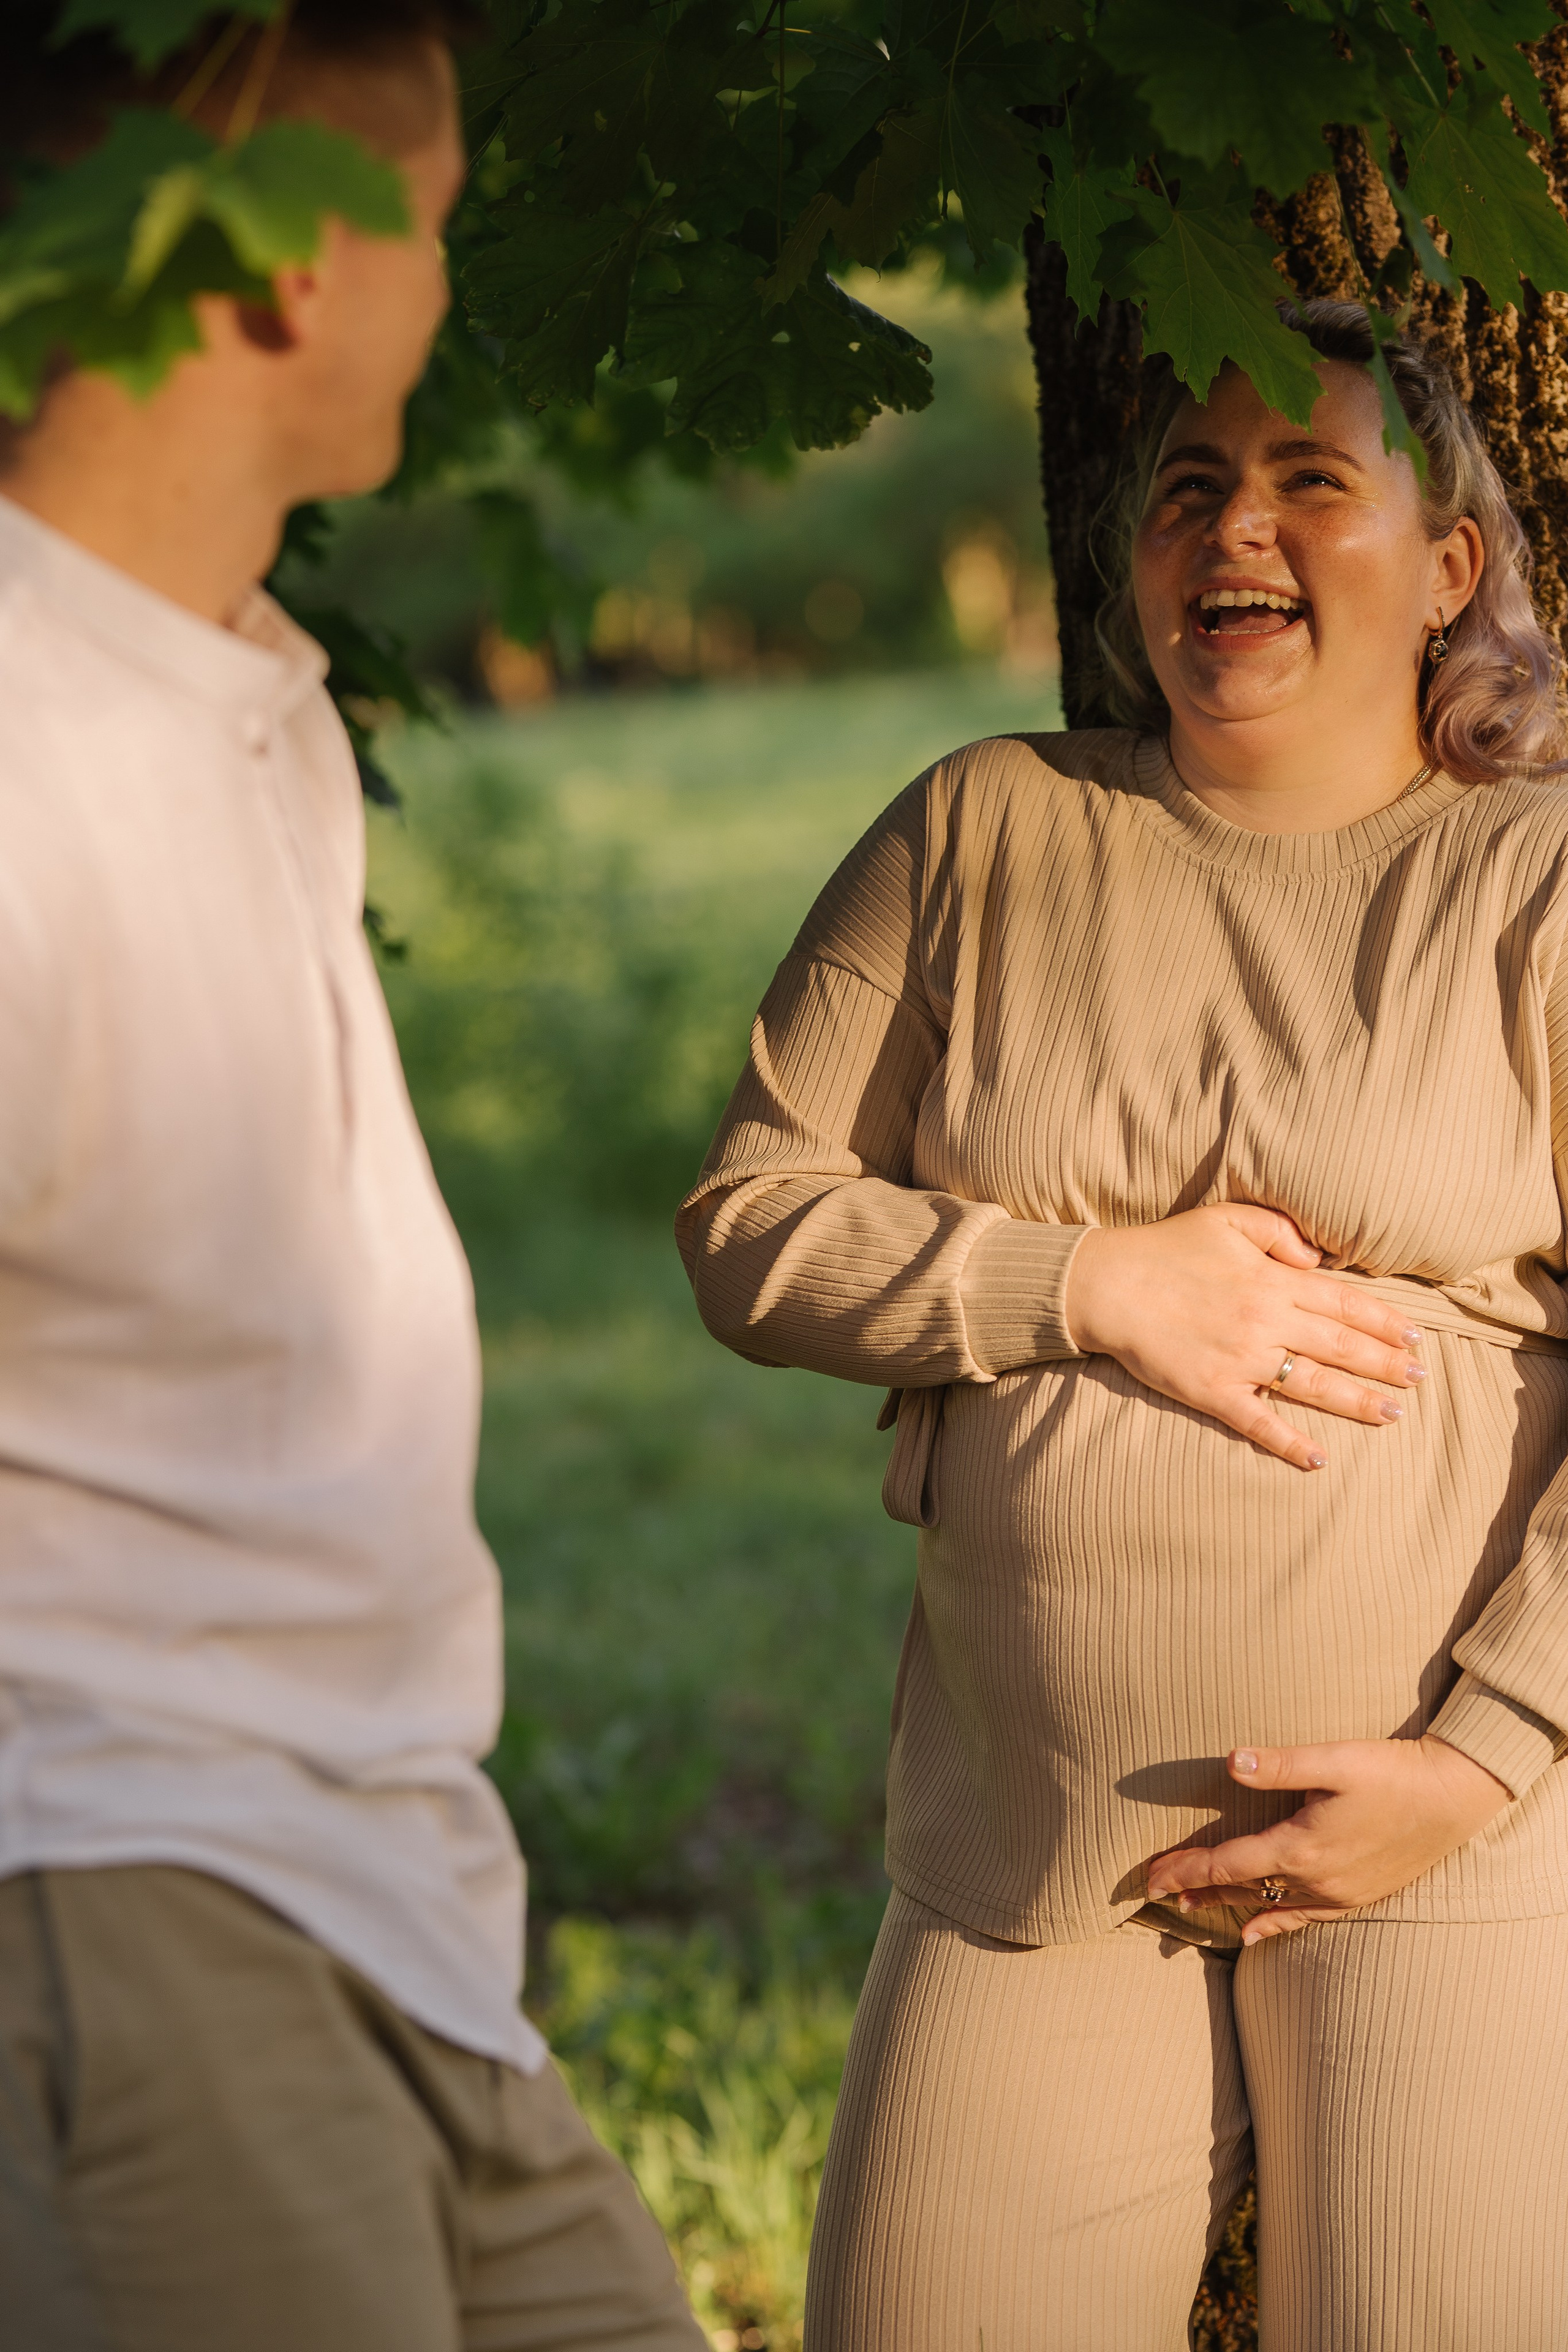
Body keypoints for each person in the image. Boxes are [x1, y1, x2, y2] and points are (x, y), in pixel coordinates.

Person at [679, 298, 1568, 2351]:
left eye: (1305, 481)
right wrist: (1079, 1280)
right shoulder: (986, 831)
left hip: (1449, 1839)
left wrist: (1483, 1758)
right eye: (1187, 489)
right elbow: (748, 1219)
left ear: (1449, 564)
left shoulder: (1534, 886)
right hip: (1031, 1845)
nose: (1229, 527)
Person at [0, 12, 703, 2351]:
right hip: (112, 1885)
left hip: (399, 1899)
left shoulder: (256, 711)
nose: (437, 283)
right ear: (292, 266)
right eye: (425, 226)